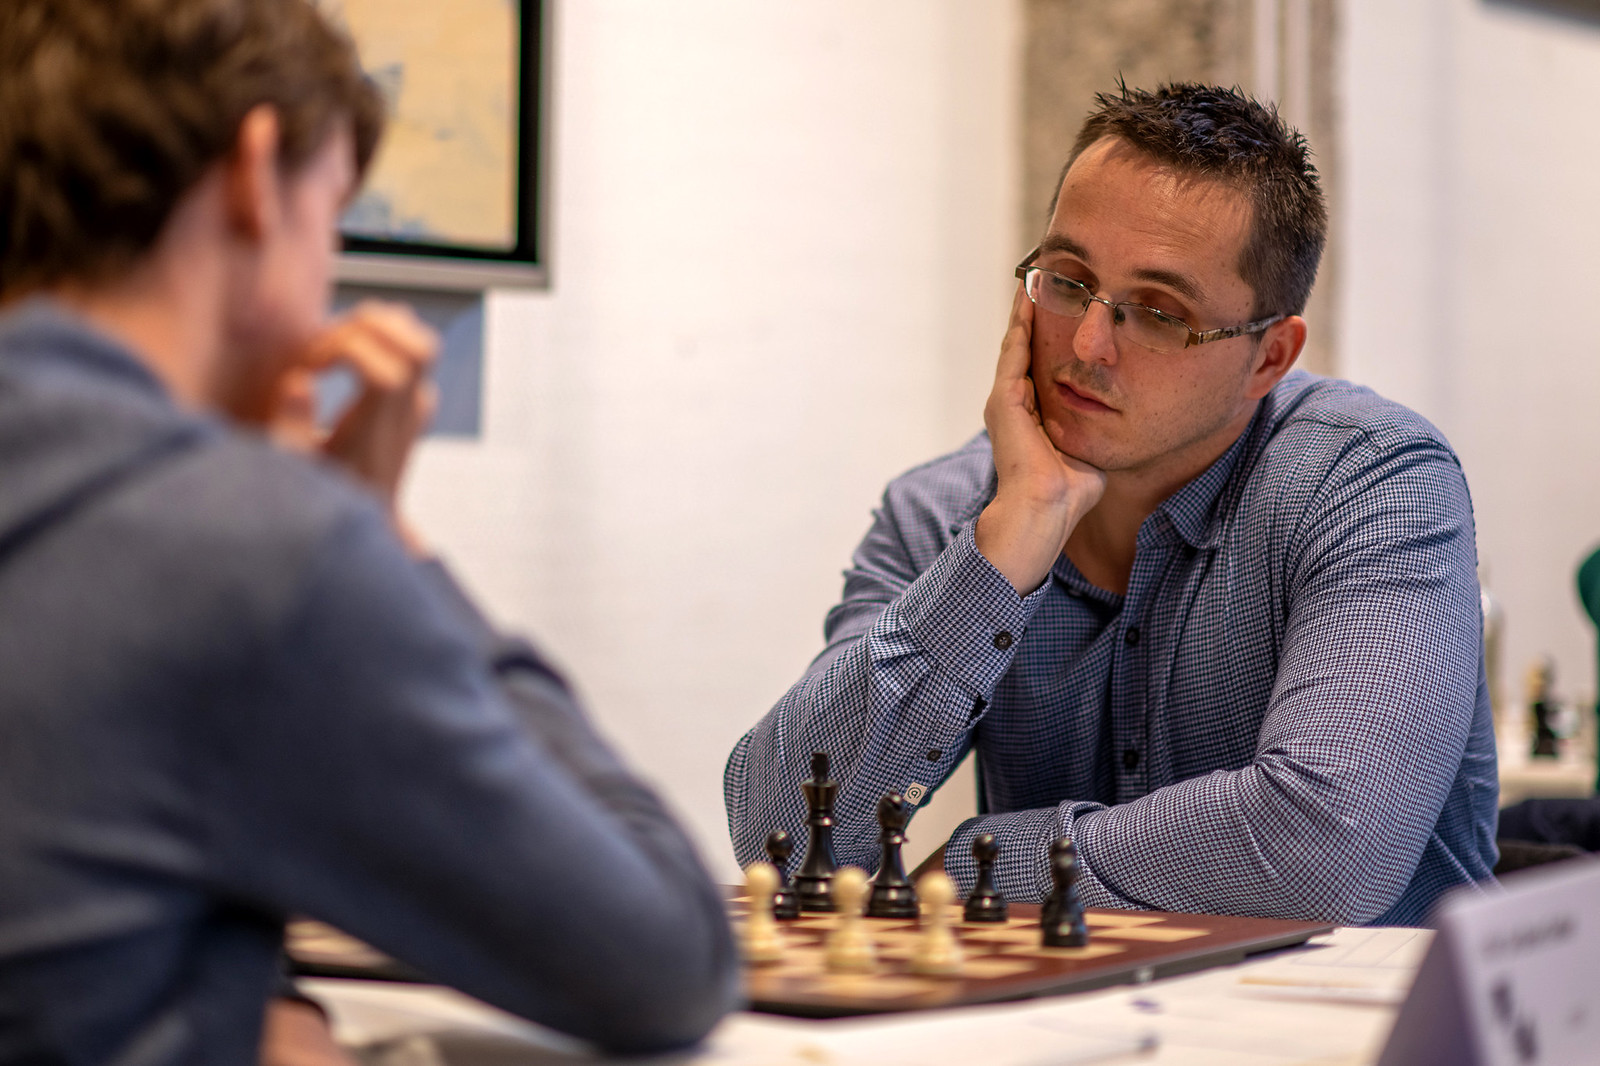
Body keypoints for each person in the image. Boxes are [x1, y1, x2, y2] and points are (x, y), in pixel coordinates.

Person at [0, 0, 736, 1062]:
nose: (328, 275)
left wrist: (264, 1005)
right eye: (332, 215)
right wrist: (381, 534)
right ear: (257, 173)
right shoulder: (251, 552)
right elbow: (668, 957)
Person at [725, 83, 1498, 927]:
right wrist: (1002, 551)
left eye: (1159, 314)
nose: (1089, 345)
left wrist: (991, 860)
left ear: (1269, 357)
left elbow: (1326, 848)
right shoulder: (946, 510)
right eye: (1068, 281)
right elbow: (781, 841)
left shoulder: (1372, 480)